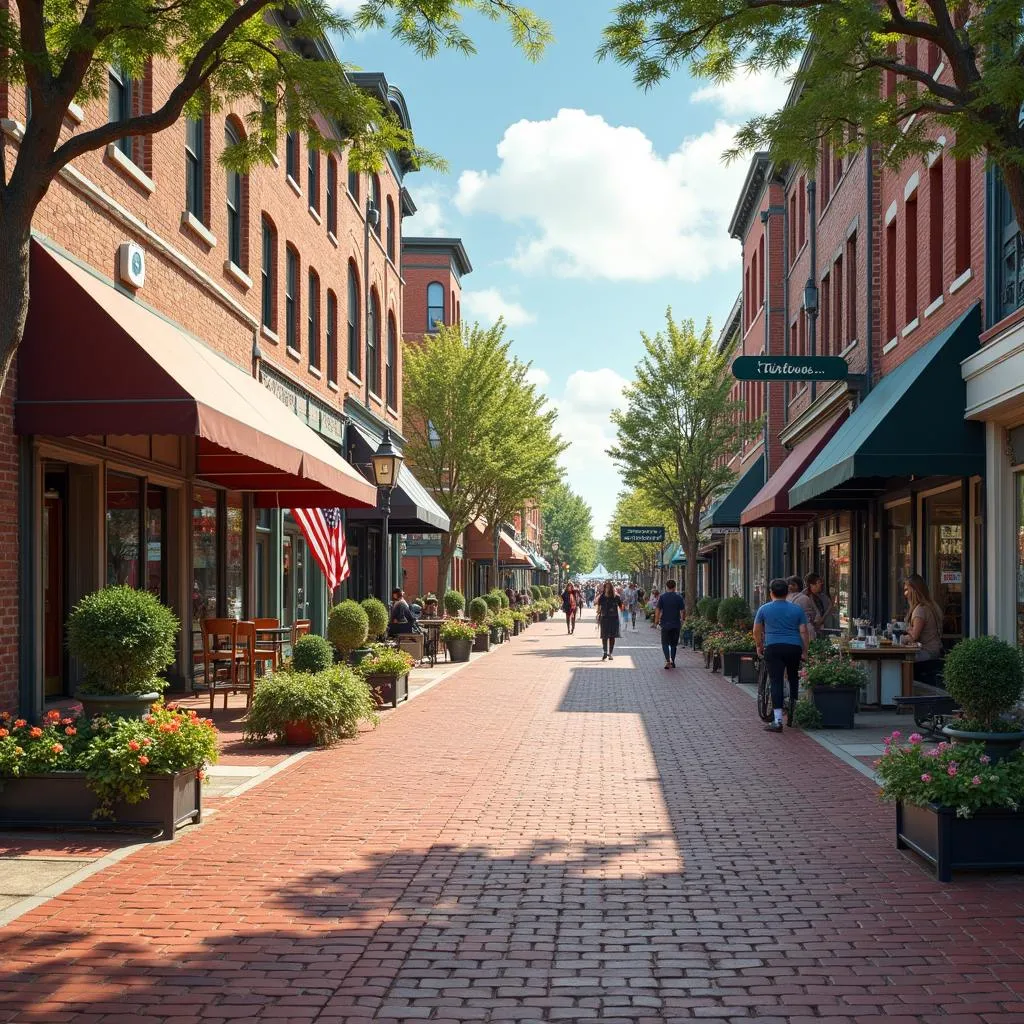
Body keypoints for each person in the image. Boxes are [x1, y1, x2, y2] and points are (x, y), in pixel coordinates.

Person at [753, 578, 809, 733]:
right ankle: (792, 712)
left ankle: (778, 720)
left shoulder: (764, 609)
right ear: (787, 592)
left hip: (773, 647)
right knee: (793, 678)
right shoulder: (797, 610)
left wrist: (759, 645)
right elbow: (804, 631)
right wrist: (805, 651)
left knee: (776, 681)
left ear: (771, 593)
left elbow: (756, 630)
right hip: (793, 647)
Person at [903, 573, 945, 668]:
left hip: (927, 653)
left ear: (914, 591)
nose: (905, 594)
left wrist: (904, 631)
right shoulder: (931, 605)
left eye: (906, 590)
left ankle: (905, 682)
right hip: (935, 651)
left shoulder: (920, 609)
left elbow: (914, 636)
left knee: (899, 661)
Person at [654, 579, 686, 669]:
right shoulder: (678, 597)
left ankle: (668, 660)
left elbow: (658, 609)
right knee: (673, 644)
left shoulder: (663, 597)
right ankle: (673, 661)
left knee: (664, 643)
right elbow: (683, 611)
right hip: (676, 624)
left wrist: (656, 621)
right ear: (675, 587)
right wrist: (683, 619)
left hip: (665, 623)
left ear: (666, 587)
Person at [596, 581, 623, 661]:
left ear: (611, 588)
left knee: (612, 636)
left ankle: (610, 653)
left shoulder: (616, 597)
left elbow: (621, 607)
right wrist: (598, 614)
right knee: (604, 636)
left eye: (608, 587)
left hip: (613, 619)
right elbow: (598, 606)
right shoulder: (602, 597)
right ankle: (605, 652)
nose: (607, 589)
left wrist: (624, 607)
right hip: (604, 618)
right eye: (606, 587)